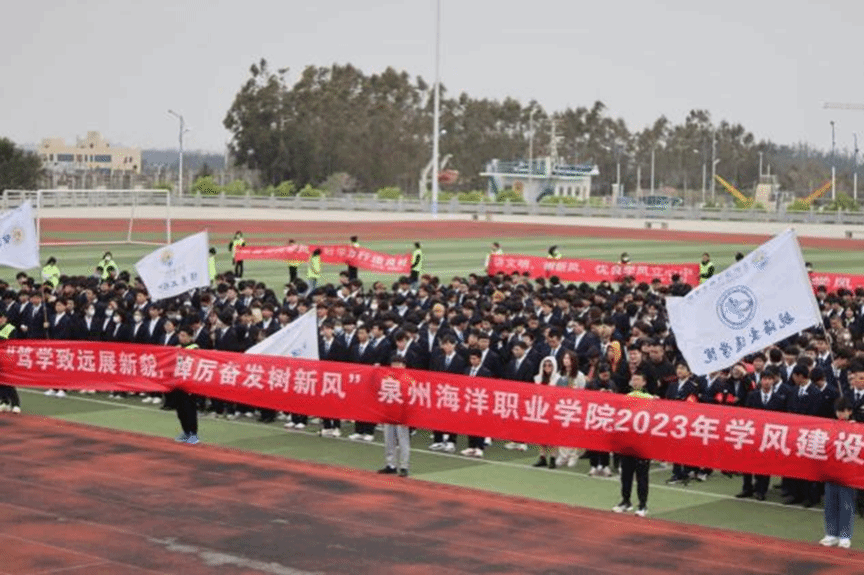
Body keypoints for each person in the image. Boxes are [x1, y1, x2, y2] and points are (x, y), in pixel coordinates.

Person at [613, 371, 654, 517]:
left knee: (642, 476)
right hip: (628, 441)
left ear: (644, 382)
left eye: (638, 379)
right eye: (633, 379)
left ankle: (642, 505)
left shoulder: (651, 399)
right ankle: (625, 501)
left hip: (643, 443)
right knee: (626, 474)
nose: (635, 382)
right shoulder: (626, 398)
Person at [820, 396, 857, 548]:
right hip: (831, 471)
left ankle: (845, 536)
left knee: (846, 504)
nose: (841, 414)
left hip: (848, 473)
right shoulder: (830, 426)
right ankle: (831, 534)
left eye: (844, 411)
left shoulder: (857, 428)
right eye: (838, 411)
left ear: (850, 412)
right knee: (830, 503)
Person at [378, 352, 411, 477]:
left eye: (398, 364)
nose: (396, 366)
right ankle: (390, 464)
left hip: (402, 413)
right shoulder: (388, 377)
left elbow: (409, 397)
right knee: (389, 439)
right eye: (394, 364)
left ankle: (404, 466)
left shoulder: (408, 379)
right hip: (389, 412)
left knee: (403, 440)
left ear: (404, 365)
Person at [171, 327, 200, 444]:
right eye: (180, 335)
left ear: (190, 337)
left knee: (190, 409)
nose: (180, 337)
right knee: (180, 409)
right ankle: (186, 431)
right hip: (178, 383)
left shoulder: (195, 349)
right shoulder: (177, 348)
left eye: (183, 335)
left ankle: (193, 434)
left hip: (189, 384)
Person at [0, 311, 21, 414]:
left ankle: (15, 404)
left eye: (1, 317)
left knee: (8, 382)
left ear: (5, 318)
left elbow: (7, 341)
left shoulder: (9, 328)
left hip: (7, 358)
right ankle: (4, 401)